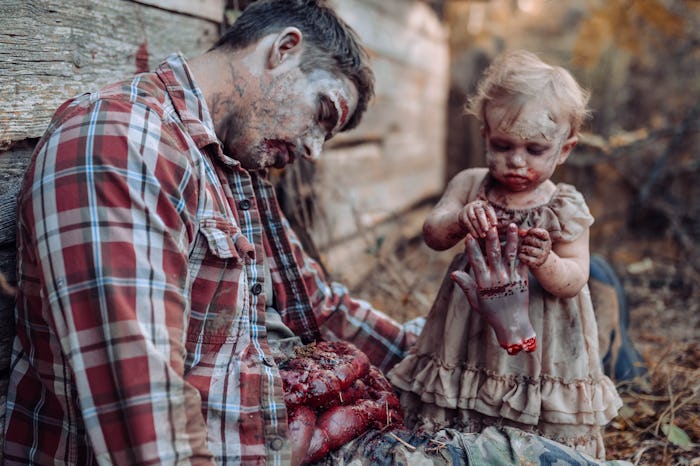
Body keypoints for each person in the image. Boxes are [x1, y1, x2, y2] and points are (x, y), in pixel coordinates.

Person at [4, 1, 631, 463]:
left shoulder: (232, 161)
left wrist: (451, 351)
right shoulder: (122, 147)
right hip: (260, 445)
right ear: (284, 49)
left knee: (588, 283)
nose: (312, 151)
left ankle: (601, 349)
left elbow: (319, 307)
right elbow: (143, 417)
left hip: (310, 410)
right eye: (323, 115)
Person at [388, 50, 623, 460]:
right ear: (485, 134)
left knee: (534, 419)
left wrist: (547, 262)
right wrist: (460, 219)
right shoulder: (470, 184)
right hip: (469, 331)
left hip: (541, 340)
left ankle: (531, 450)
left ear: (564, 150)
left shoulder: (564, 205)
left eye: (535, 149)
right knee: (462, 406)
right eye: (503, 145)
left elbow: (575, 278)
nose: (516, 160)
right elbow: (433, 234)